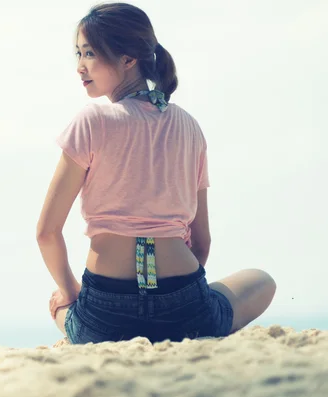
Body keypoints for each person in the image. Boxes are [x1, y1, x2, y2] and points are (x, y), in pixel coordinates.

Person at [36, 2, 276, 344]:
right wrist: (168, 295)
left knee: (61, 304)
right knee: (261, 280)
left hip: (104, 314)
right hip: (185, 308)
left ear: (128, 59)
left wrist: (70, 291)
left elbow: (46, 233)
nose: (80, 67)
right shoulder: (189, 127)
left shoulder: (91, 121)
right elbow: (202, 243)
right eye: (77, 54)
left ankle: (75, 310)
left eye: (89, 53)